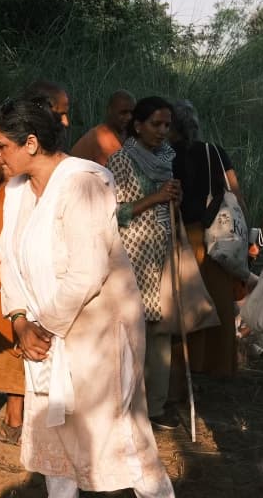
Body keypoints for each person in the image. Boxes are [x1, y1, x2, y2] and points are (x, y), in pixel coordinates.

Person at [0, 97, 174, 498]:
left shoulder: (83, 182)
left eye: (3, 145)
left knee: (119, 436)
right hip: (44, 332)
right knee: (54, 437)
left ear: (32, 144)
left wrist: (44, 327)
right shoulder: (17, 190)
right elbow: (8, 258)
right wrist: (21, 321)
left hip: (98, 329)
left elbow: (87, 272)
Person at [0, 80, 69, 475]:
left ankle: (14, 421)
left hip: (37, 268)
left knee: (30, 344)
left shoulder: (60, 166)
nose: (66, 119)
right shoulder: (0, 161)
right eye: (59, 112)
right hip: (1, 264)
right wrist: (5, 240)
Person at [105, 96, 181, 430]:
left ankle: (155, 407)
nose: (162, 131)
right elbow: (114, 212)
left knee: (160, 331)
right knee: (129, 329)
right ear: (138, 126)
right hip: (131, 254)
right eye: (156, 124)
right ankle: (124, 405)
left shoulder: (166, 159)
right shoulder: (120, 160)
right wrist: (156, 197)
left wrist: (171, 199)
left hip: (160, 251)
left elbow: (168, 205)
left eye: (166, 125)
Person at [168, 99, 247, 377]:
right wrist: (249, 237)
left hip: (182, 235)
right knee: (220, 300)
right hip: (219, 234)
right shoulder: (215, 151)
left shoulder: (165, 154)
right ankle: (221, 366)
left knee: (188, 302)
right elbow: (235, 194)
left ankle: (190, 368)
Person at [71, 89, 135, 165]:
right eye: (123, 113)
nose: (129, 117)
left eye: (132, 113)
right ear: (109, 110)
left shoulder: (128, 135)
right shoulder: (101, 138)